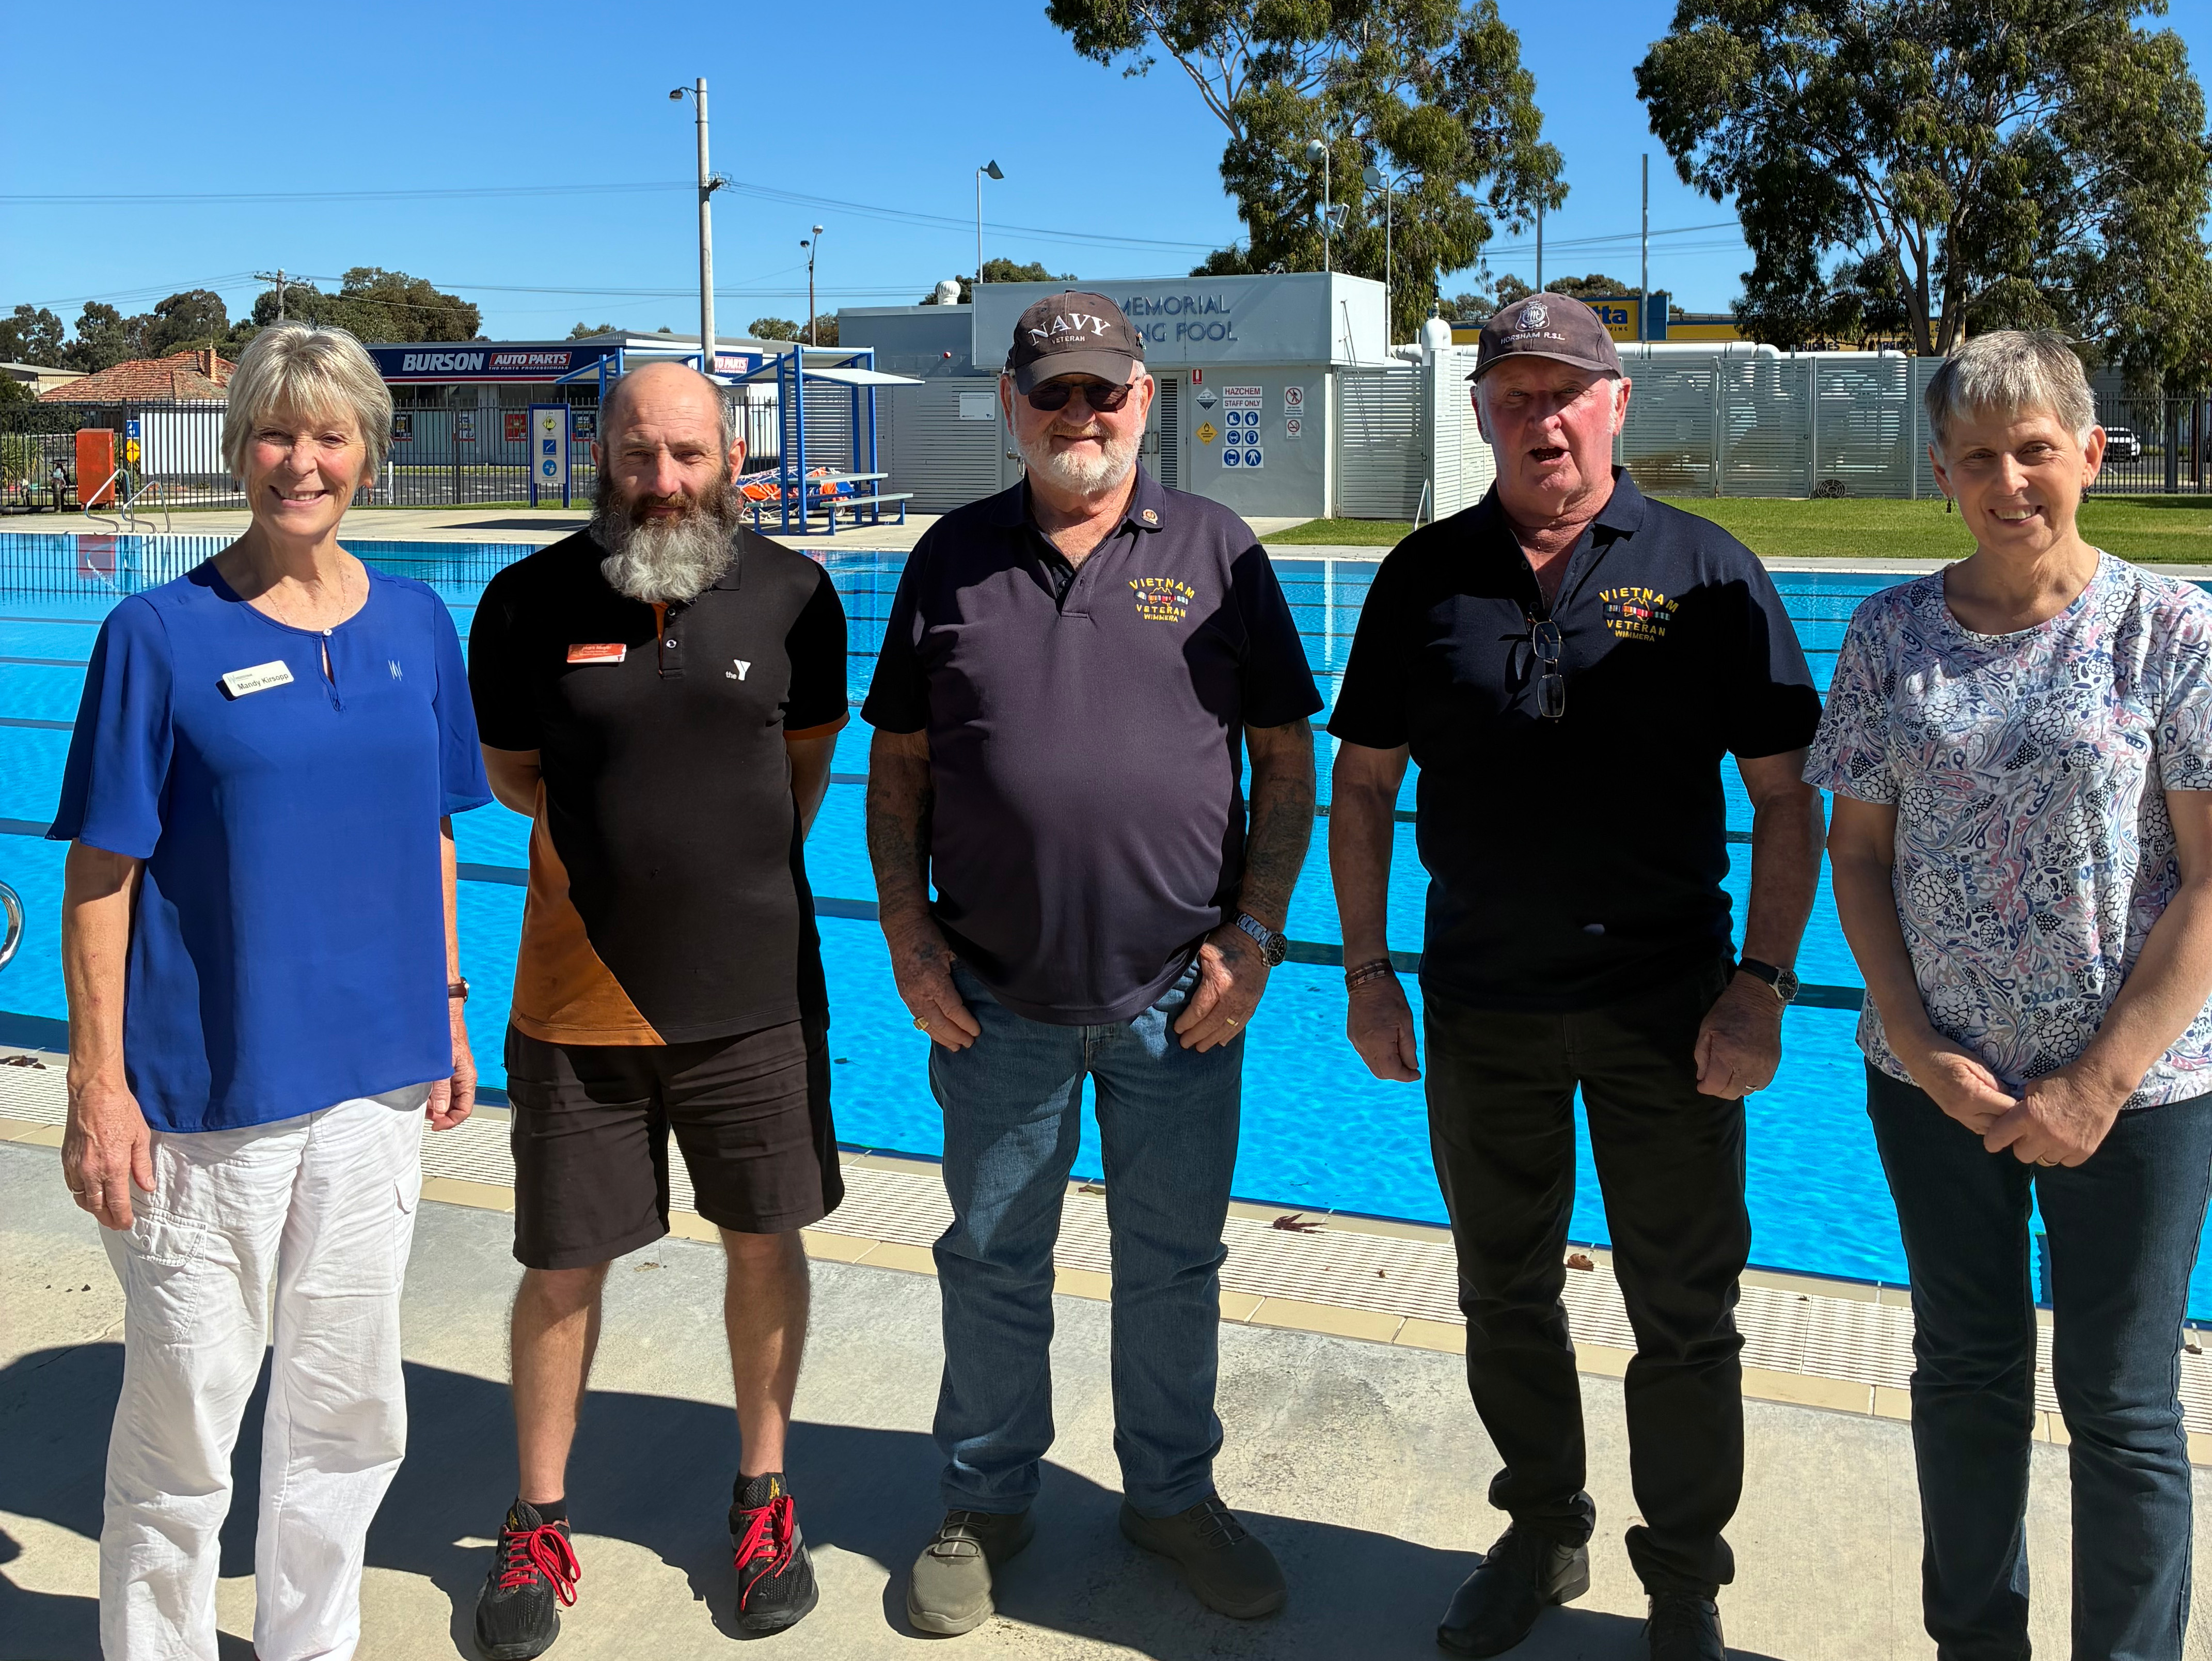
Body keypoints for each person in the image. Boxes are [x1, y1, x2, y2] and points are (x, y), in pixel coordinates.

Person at [1327, 294, 1825, 1661]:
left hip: (1669, 1016)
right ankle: (1542, 1532)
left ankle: (1679, 1581)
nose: (1539, 418)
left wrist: (1762, 985)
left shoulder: (1706, 569)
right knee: (1502, 1291)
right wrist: (1368, 973)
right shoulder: (1421, 579)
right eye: (1513, 396)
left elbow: (1787, 800)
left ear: (1616, 404)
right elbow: (1360, 789)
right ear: (1480, 413)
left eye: (1566, 393)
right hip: (1482, 1007)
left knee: (1683, 1310)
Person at [864, 291, 1321, 1635]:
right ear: (1011, 405)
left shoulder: (1218, 549)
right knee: (993, 1259)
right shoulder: (948, 559)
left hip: (1178, 991)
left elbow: (1283, 758)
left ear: (1145, 401)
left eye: (1103, 392)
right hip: (994, 995)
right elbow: (896, 768)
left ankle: (1171, 1495)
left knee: (1172, 1265)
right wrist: (905, 935)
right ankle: (987, 1498)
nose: (1080, 415)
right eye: (1052, 393)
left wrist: (1252, 933)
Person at [53, 322, 489, 1661]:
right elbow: (101, 873)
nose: (302, 461)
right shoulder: (157, 635)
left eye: (330, 434)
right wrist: (98, 1084)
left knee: (346, 1414)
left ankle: (312, 1644)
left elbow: (432, 829)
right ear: (240, 448)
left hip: (373, 1088)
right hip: (205, 1104)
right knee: (186, 1420)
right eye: (276, 434)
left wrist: (453, 1006)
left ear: (369, 450)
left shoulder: (419, 622)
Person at [1812, 331, 2212, 1661]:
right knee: (1968, 1379)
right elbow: (1856, 857)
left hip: (2139, 1092)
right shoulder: (1888, 635)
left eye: (2036, 448)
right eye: (1978, 456)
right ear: (1942, 473)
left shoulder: (2173, 630)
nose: (2010, 480)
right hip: (1939, 1087)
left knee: (2123, 1403)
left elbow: (2211, 881)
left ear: (2092, 453)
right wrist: (1920, 1044)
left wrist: (2099, 1082)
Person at [464, 359, 848, 1653]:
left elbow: (798, 780)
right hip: (577, 1000)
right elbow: (518, 777)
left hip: (753, 999)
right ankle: (536, 1518)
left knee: (763, 1244)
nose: (665, 483)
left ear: (730, 458)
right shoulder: (525, 603)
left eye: (688, 457)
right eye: (640, 457)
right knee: (560, 1267)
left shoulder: (799, 595)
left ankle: (764, 1495)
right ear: (604, 458)